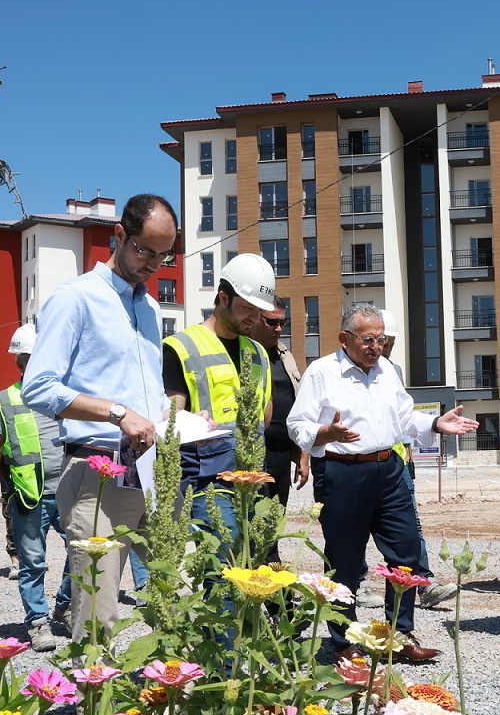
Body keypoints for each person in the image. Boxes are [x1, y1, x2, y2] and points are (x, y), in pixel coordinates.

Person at [287, 304, 477, 664]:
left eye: (381, 339)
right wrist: (327, 432)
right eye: (367, 340)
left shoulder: (387, 370)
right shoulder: (321, 372)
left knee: (405, 553)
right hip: (342, 472)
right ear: (344, 339)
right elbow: (297, 425)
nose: (375, 347)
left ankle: (399, 635)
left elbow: (404, 418)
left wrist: (435, 424)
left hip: (389, 471)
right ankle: (345, 642)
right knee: (344, 561)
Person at [23, 193, 172, 643]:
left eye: (163, 256)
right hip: (98, 473)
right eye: (145, 251)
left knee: (175, 603)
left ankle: (163, 688)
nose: (153, 264)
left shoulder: (151, 309)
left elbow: (145, 392)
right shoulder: (75, 298)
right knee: (97, 619)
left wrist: (173, 416)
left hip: (151, 471)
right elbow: (38, 387)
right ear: (119, 235)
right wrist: (117, 413)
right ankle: (90, 688)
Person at [162, 252, 275, 568]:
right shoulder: (181, 347)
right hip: (208, 485)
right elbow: (169, 420)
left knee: (253, 574)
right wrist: (190, 421)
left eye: (260, 310)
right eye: (248, 308)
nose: (254, 317)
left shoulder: (258, 352)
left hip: (252, 479)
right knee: (222, 573)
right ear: (223, 297)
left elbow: (264, 418)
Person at [0, 324, 68, 651]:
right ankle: (38, 622)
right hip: (30, 496)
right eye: (34, 358)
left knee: (83, 554)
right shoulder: (4, 401)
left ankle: (65, 606)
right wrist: (12, 477)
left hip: (69, 491)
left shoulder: (64, 395)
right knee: (32, 562)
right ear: (20, 362)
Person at [375, 307, 457, 610]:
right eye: (385, 343)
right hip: (362, 464)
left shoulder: (393, 370)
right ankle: (355, 584)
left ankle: (424, 583)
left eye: (390, 345)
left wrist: (408, 447)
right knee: (354, 529)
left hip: (397, 462)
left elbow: (403, 414)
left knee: (410, 525)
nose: (386, 351)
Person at [244, 300, 307, 564]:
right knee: (255, 520)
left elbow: (298, 406)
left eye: (283, 322)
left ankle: (269, 574)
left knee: (275, 520)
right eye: (272, 322)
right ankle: (259, 577)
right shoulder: (242, 351)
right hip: (254, 452)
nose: (279, 329)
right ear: (255, 318)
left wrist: (302, 455)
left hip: (282, 453)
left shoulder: (285, 355)